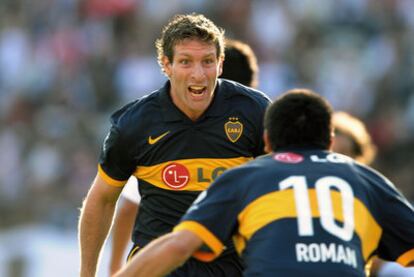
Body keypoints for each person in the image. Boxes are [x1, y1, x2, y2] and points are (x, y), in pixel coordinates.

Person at [115, 89, 414, 277]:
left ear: (267, 141)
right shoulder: (367, 181)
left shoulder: (246, 177)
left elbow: (177, 246)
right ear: (330, 142)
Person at [78, 13, 271, 277]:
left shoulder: (255, 112)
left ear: (221, 63)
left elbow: (285, 187)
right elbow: (102, 199)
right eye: (185, 62)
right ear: (166, 65)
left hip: (233, 266)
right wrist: (87, 274)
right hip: (159, 267)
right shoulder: (135, 124)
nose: (198, 74)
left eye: (207, 61)